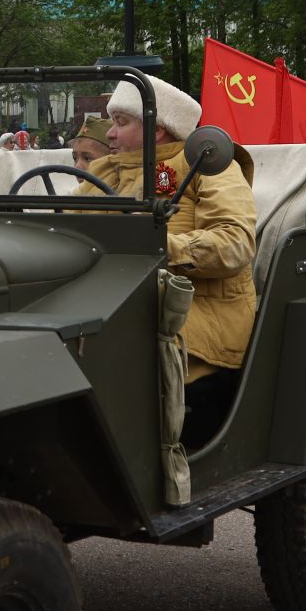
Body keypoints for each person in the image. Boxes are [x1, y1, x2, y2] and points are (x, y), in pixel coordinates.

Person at [86, 76, 257, 441]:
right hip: (118, 303)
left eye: (121, 122)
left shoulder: (205, 164)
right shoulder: (103, 171)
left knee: (112, 357)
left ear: (159, 130)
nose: (110, 134)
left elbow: (236, 242)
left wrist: (156, 244)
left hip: (195, 309)